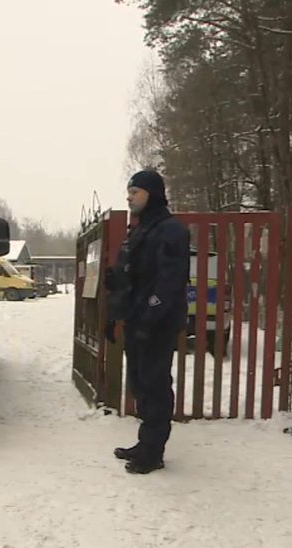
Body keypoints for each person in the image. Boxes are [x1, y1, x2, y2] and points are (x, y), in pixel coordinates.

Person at [103, 170, 190, 474]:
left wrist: (150, 318)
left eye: (136, 192)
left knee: (154, 386)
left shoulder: (171, 231)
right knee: (140, 384)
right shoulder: (140, 230)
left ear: (152, 194)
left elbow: (169, 282)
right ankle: (145, 442)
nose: (129, 197)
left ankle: (154, 452)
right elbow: (131, 279)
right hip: (136, 321)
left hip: (157, 324)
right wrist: (113, 314)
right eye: (129, 192)